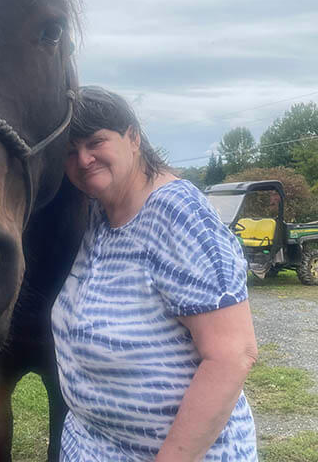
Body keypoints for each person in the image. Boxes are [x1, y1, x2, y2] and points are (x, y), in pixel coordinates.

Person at [51, 86, 259, 461]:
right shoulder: (100, 213)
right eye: (70, 151)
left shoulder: (180, 216)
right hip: (91, 444)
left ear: (133, 137)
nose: (83, 160)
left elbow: (232, 355)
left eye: (96, 142)